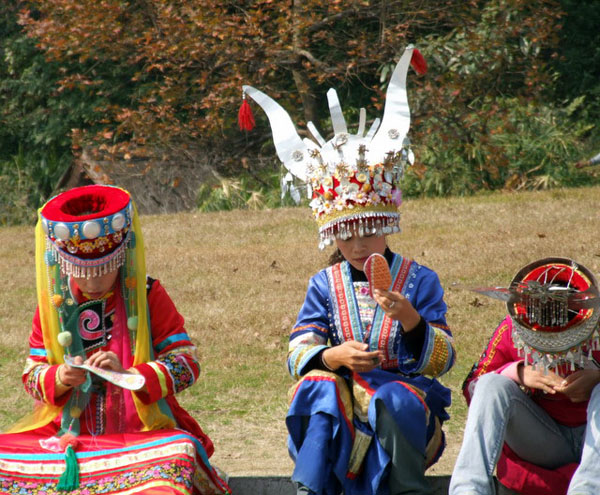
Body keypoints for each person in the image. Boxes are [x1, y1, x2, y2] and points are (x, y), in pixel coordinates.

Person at [243, 45, 456, 495]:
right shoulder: (324, 283)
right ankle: (312, 488)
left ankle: (404, 489)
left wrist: (411, 320)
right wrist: (332, 357)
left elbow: (444, 359)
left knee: (394, 397)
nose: (359, 245)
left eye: (370, 231)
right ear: (332, 237)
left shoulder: (421, 280)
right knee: (319, 385)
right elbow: (299, 347)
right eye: (346, 235)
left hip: (405, 404)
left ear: (388, 225)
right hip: (340, 406)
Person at [0, 184, 230, 495]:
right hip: (68, 435)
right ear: (65, 264)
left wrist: (130, 375)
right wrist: (62, 377)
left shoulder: (147, 295)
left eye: (104, 269)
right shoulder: (55, 303)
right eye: (81, 271)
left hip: (143, 433)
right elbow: (32, 374)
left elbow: (186, 364)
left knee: (180, 452)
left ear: (121, 257)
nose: (93, 282)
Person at [449, 257, 600, 495]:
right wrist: (518, 373)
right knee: (491, 383)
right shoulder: (514, 327)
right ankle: (468, 489)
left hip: (594, 436)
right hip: (544, 439)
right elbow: (473, 387)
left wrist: (597, 378)